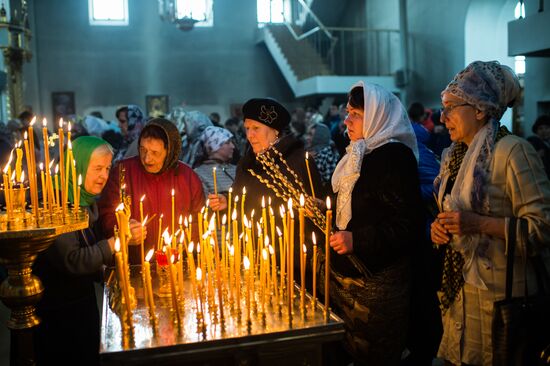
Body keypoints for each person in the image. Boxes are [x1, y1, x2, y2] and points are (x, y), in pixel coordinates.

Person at [430, 61, 550, 366]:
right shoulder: (454, 158)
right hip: (461, 301)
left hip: (503, 303)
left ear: (480, 109)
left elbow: (542, 229)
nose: (443, 118)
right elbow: (449, 215)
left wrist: (478, 224)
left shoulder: (512, 151)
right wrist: (438, 230)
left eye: (451, 108)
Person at [327, 81, 423, 365]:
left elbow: (408, 224)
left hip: (379, 282)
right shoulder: (357, 154)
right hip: (348, 279)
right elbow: (353, 206)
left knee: (378, 356)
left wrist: (357, 239)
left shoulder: (394, 157)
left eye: (356, 113)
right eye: (347, 112)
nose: (347, 120)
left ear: (377, 116)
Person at [33, 136, 118, 365]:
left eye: (108, 168)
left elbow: (88, 247)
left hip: (81, 303)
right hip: (57, 314)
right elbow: (72, 260)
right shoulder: (54, 205)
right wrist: (113, 244)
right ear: (77, 166)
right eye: (98, 168)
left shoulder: (86, 201)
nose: (104, 175)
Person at [98, 118, 205, 264]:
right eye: (143, 150)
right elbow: (107, 214)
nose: (147, 159)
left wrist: (184, 244)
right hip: (133, 264)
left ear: (170, 151)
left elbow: (199, 221)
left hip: (177, 266)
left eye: (155, 152)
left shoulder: (188, 177)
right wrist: (123, 229)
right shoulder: (123, 172)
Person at [193, 126, 236, 196]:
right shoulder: (200, 173)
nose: (233, 146)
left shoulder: (237, 169)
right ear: (214, 146)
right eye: (227, 143)